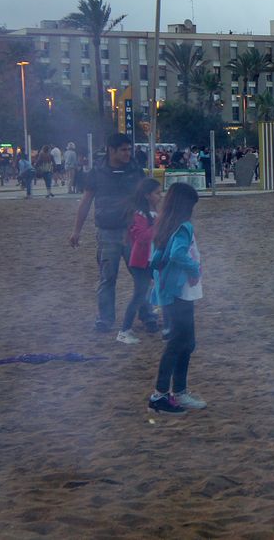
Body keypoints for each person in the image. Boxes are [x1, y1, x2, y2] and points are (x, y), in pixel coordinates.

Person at [69, 134, 146, 333]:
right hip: (107, 232)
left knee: (141, 276)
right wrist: (76, 230)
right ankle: (105, 319)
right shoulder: (97, 172)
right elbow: (86, 202)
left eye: (129, 149)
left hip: (133, 231)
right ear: (111, 150)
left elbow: (146, 197)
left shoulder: (136, 170)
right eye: (124, 150)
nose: (128, 153)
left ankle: (147, 315)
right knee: (107, 277)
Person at [147, 182, 205, 414]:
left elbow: (156, 260)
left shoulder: (165, 224)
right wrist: (194, 270)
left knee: (184, 342)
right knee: (179, 343)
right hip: (180, 292)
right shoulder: (183, 227)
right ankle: (162, 394)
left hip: (170, 292)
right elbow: (177, 254)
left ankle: (177, 392)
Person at [117, 178, 163, 344]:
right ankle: (124, 331)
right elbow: (141, 237)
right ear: (147, 195)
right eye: (157, 193)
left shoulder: (152, 214)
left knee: (150, 292)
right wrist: (159, 225)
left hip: (151, 260)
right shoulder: (140, 215)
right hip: (141, 262)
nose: (161, 196)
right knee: (138, 295)